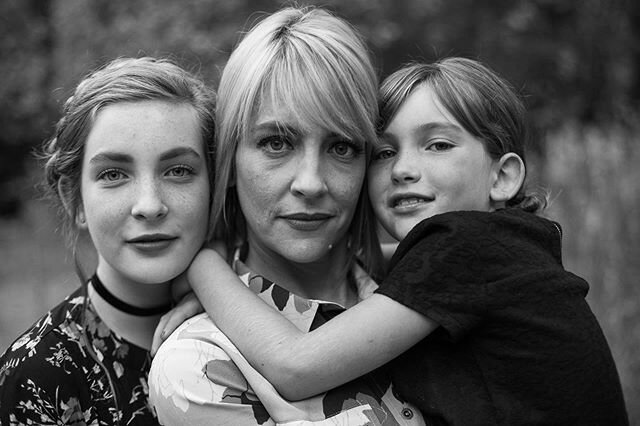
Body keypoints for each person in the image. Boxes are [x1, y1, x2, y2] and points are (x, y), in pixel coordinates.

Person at [162, 58, 629, 425]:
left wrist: (206, 268)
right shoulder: (498, 254)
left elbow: (295, 366)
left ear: (502, 176)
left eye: (438, 144)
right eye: (385, 151)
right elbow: (378, 264)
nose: (403, 169)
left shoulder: (465, 244)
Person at [149, 6, 425, 425]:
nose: (311, 183)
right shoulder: (201, 367)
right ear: (228, 162)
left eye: (341, 146)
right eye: (277, 143)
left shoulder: (426, 292)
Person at [0, 57, 216, 425]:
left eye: (178, 170)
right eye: (114, 174)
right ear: (75, 200)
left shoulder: (267, 318)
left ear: (216, 185)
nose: (149, 205)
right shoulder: (36, 380)